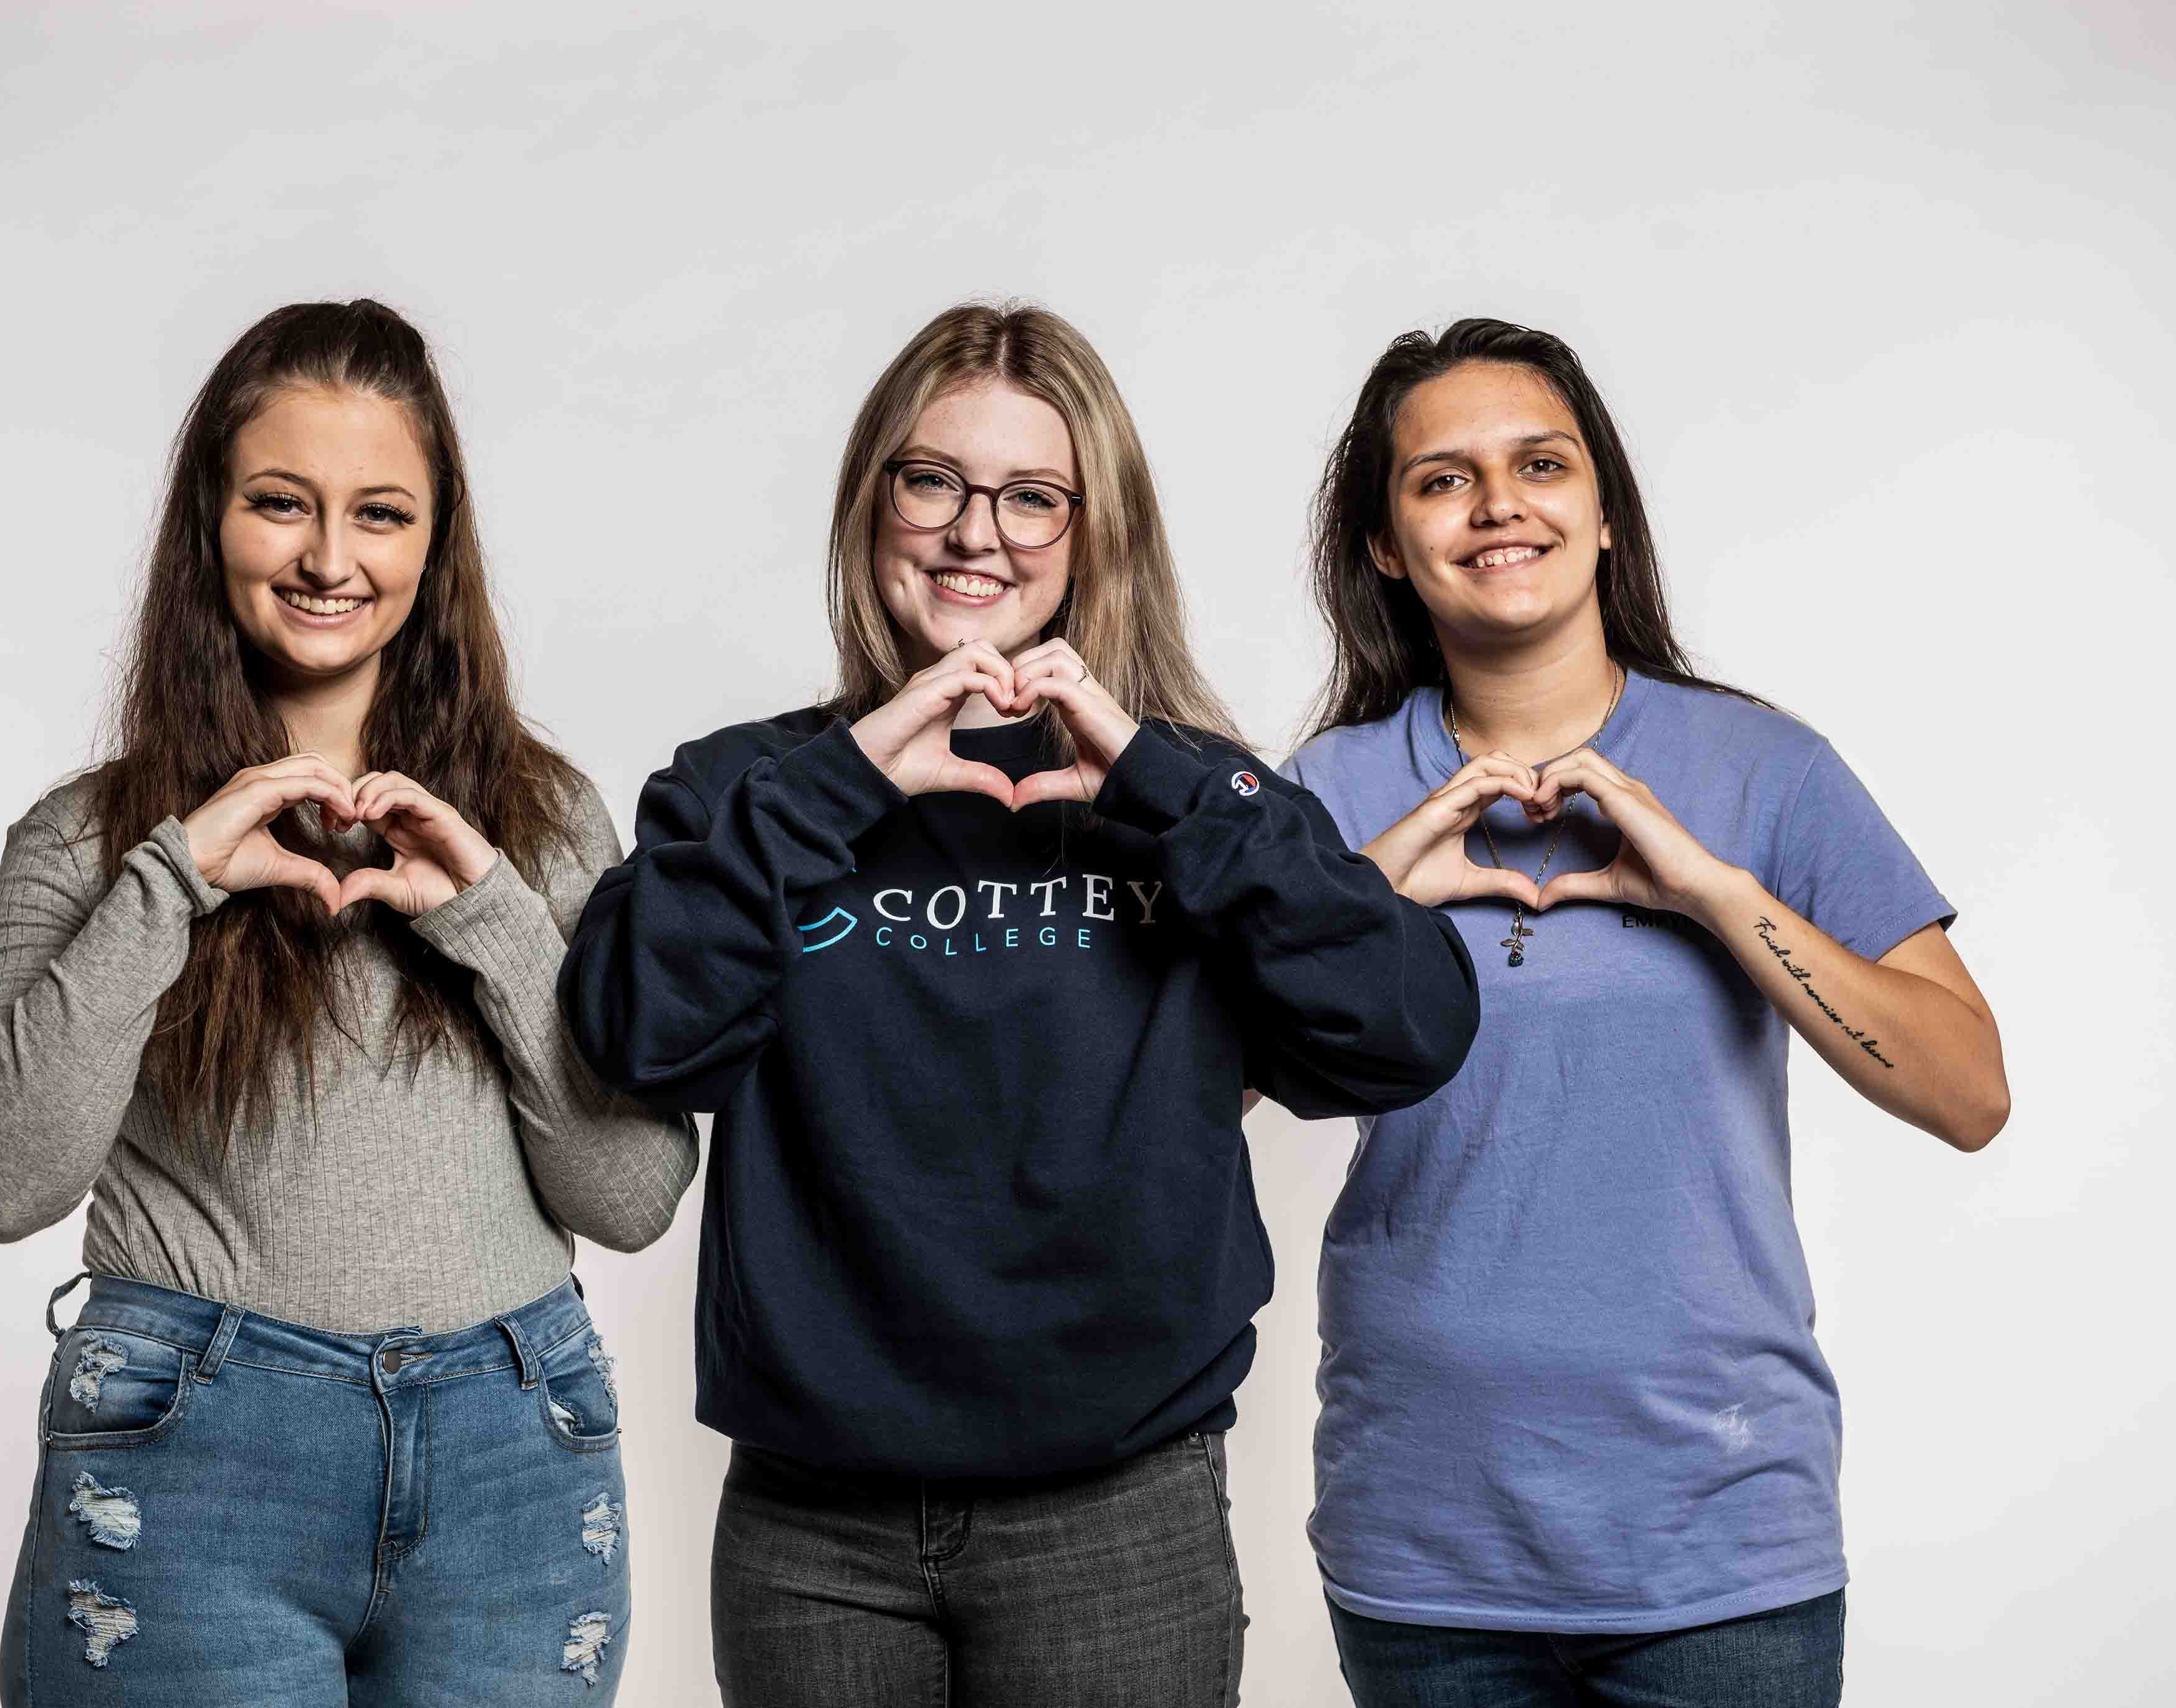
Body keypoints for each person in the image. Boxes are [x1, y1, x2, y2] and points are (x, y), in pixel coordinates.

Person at [557, 301, 1480, 1707]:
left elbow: (1406, 1030)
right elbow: (635, 1033)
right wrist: (840, 786)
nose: (974, 531)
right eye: (932, 480)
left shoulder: (1197, 797)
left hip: (1118, 1519)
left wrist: (1169, 787)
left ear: (1093, 531)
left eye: (1032, 496)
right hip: (817, 1532)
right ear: (873, 504)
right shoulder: (747, 786)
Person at [0, 299, 694, 1704]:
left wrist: (492, 917)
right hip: (192, 1470)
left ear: (435, 542)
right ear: (210, 523)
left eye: (381, 513)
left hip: (515, 1469)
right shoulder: (89, 841)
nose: (331, 558)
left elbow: (633, 1196)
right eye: (282, 502)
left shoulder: (549, 819)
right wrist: (172, 880)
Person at [1280, 317, 2010, 1707]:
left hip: (1718, 1530)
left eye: (1540, 463)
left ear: (1604, 510)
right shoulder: (1326, 791)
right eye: (1441, 479)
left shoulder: (1765, 769)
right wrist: (1365, 899)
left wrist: (1715, 892)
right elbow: (1183, 1097)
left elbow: (1968, 1092)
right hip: (1426, 1526)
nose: (1499, 503)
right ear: (1385, 543)